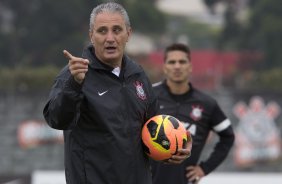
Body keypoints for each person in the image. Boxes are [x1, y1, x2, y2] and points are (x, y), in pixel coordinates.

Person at [43, 3, 192, 184]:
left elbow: (154, 126)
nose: (110, 38)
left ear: (128, 34)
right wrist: (74, 84)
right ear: (91, 35)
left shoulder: (137, 73)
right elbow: (57, 119)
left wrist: (179, 144)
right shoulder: (74, 74)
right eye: (102, 31)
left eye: (117, 30)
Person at [151, 43, 235, 184]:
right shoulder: (148, 96)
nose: (177, 66)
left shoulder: (207, 104)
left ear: (190, 67)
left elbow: (228, 136)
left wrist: (204, 168)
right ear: (164, 67)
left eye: (182, 62)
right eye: (172, 62)